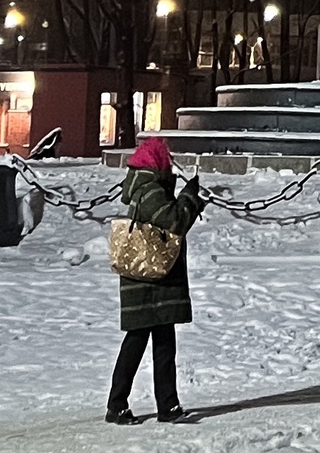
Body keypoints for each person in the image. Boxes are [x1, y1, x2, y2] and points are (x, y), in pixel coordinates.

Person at [109, 135, 204, 424]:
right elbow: (175, 221)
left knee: (161, 342)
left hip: (152, 281)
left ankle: (167, 405)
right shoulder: (150, 190)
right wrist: (189, 197)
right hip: (150, 281)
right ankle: (118, 405)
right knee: (139, 342)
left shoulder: (148, 186)